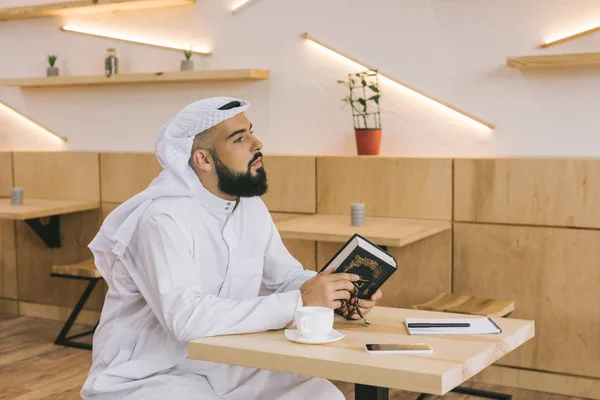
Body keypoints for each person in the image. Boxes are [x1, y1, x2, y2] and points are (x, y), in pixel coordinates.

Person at [80, 97, 383, 400]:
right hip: (155, 375)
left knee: (322, 395)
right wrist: (302, 300)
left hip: (231, 365)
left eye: (251, 132)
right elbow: (186, 319)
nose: (257, 143)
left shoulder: (250, 207)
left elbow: (283, 276)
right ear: (203, 160)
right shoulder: (162, 219)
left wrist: (335, 290)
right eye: (240, 139)